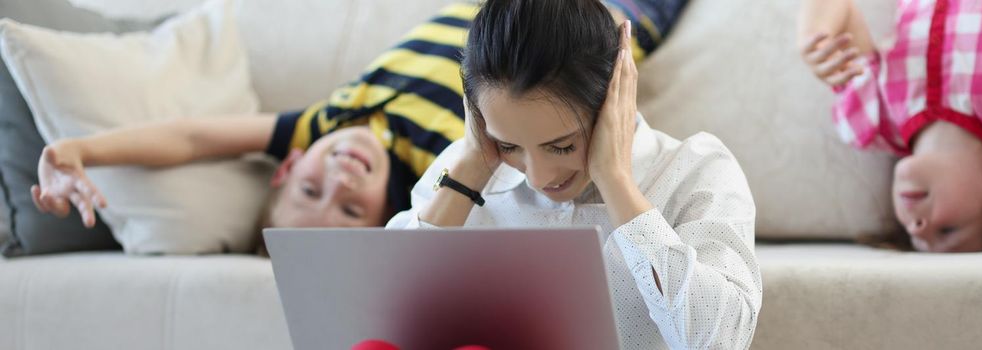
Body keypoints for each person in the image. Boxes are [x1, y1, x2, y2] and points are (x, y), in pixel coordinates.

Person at [29, 1, 675, 231]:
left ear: (286, 165)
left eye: (311, 188)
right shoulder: (457, 157)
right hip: (603, 20)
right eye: (348, 208)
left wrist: (78, 152)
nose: (337, 178)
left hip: (503, 21)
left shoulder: (325, 121)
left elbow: (195, 134)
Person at [386, 0, 761, 348]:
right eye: (510, 146)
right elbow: (380, 321)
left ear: (616, 95)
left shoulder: (696, 170)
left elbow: (719, 341)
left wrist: (616, 181)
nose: (537, 177)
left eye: (561, 146)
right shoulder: (467, 170)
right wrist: (466, 172)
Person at [798, 0, 982, 252]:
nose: (916, 227)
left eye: (915, 239)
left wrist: (815, 36)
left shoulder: (876, 117)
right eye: (947, 230)